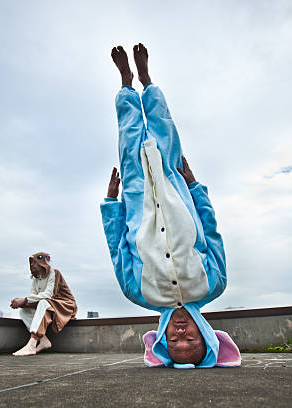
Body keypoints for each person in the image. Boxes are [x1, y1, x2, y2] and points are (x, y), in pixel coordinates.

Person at [101, 43, 241, 368]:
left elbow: (118, 249)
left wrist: (111, 202)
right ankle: (147, 81)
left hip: (137, 200)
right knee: (164, 131)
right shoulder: (214, 284)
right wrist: (194, 185)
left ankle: (125, 84)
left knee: (129, 137)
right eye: (190, 339)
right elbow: (212, 231)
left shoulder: (140, 294)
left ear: (161, 336)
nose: (180, 333)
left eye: (173, 341)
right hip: (176, 191)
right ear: (206, 333)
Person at [10, 251, 77, 356]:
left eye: (34, 262)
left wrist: (25, 300)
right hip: (51, 305)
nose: (32, 265)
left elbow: (49, 295)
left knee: (43, 302)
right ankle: (44, 340)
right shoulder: (36, 279)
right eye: (31, 263)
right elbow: (33, 296)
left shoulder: (54, 273)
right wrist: (22, 303)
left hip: (66, 306)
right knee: (24, 311)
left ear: (42, 262)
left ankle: (32, 344)